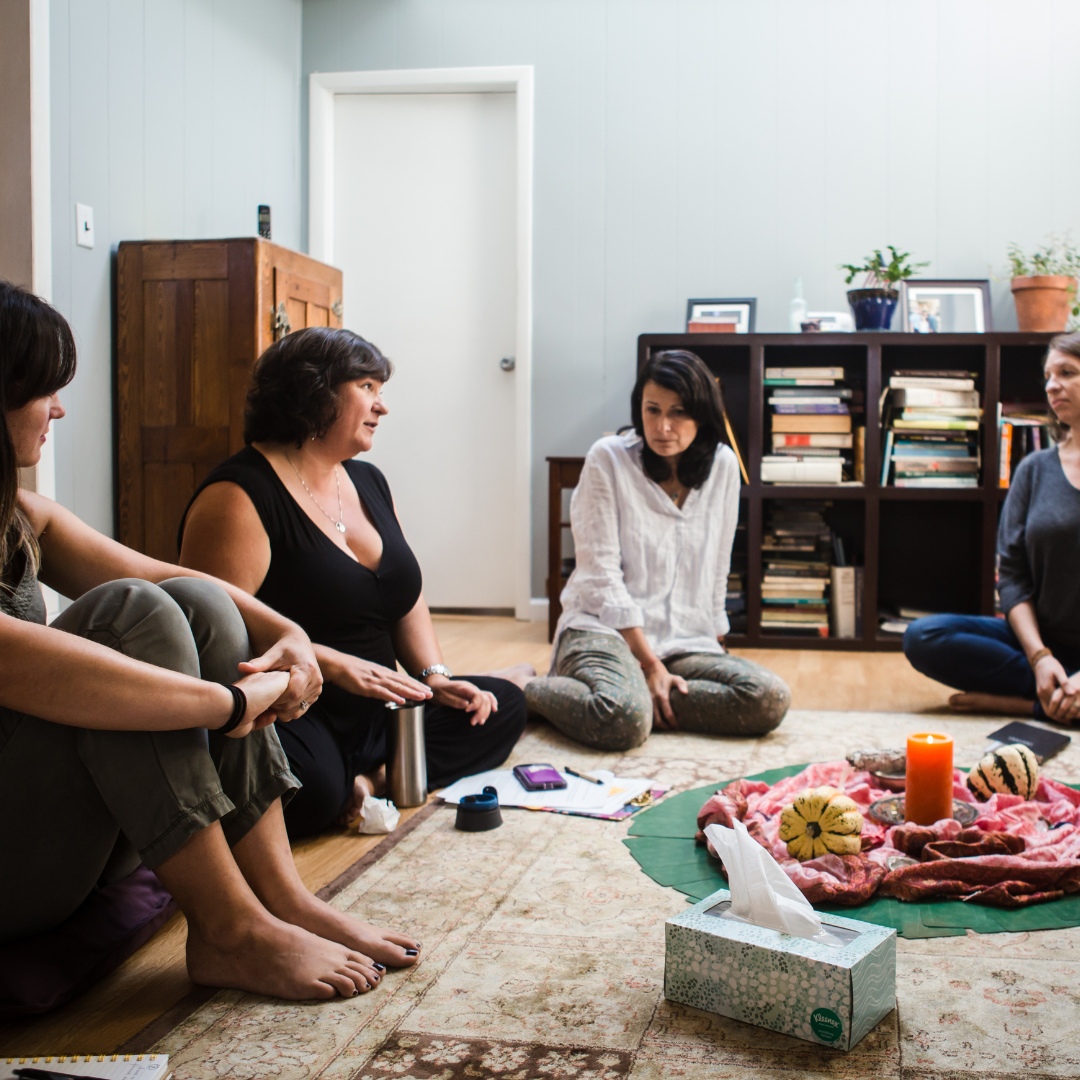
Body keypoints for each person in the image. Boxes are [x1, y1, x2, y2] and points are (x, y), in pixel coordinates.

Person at [0, 281, 420, 1002]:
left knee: (190, 597)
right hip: (17, 858)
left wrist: (286, 634)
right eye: (45, 390)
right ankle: (229, 928)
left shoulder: (23, 513)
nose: (60, 409)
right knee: (134, 613)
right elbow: (16, 659)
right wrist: (226, 703)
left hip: (70, 839)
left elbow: (171, 573)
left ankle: (279, 897)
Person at [178, 327, 528, 837]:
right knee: (310, 790)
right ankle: (349, 782)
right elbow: (215, 636)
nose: (381, 407)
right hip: (296, 711)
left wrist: (434, 676)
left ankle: (368, 778)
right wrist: (331, 663)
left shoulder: (367, 480)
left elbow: (403, 596)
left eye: (380, 391)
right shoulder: (239, 496)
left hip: (381, 707)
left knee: (497, 707)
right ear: (313, 391)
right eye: (366, 387)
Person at [525, 349, 790, 750]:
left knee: (768, 698)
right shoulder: (608, 459)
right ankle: (525, 688)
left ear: (702, 414)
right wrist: (649, 665)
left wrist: (715, 640)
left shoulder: (723, 465)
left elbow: (717, 564)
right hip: (602, 630)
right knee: (623, 722)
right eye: (652, 410)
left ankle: (644, 701)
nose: (663, 427)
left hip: (683, 639)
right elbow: (600, 579)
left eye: (679, 412)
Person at [904, 334, 1080, 724]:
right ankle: (1057, 695)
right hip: (1040, 643)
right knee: (923, 637)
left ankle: (1028, 706)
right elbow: (1013, 578)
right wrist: (1039, 657)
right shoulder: (1034, 469)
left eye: (1067, 373)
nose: (1052, 385)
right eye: (1048, 375)